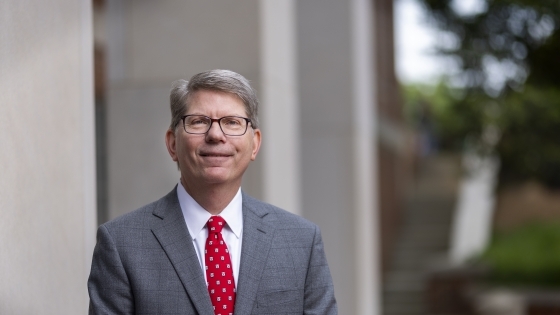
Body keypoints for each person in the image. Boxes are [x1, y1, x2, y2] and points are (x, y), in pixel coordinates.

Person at [88, 69, 338, 315]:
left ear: (255, 144)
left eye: (232, 122)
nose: (216, 134)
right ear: (172, 143)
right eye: (199, 121)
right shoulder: (121, 244)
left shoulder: (301, 242)